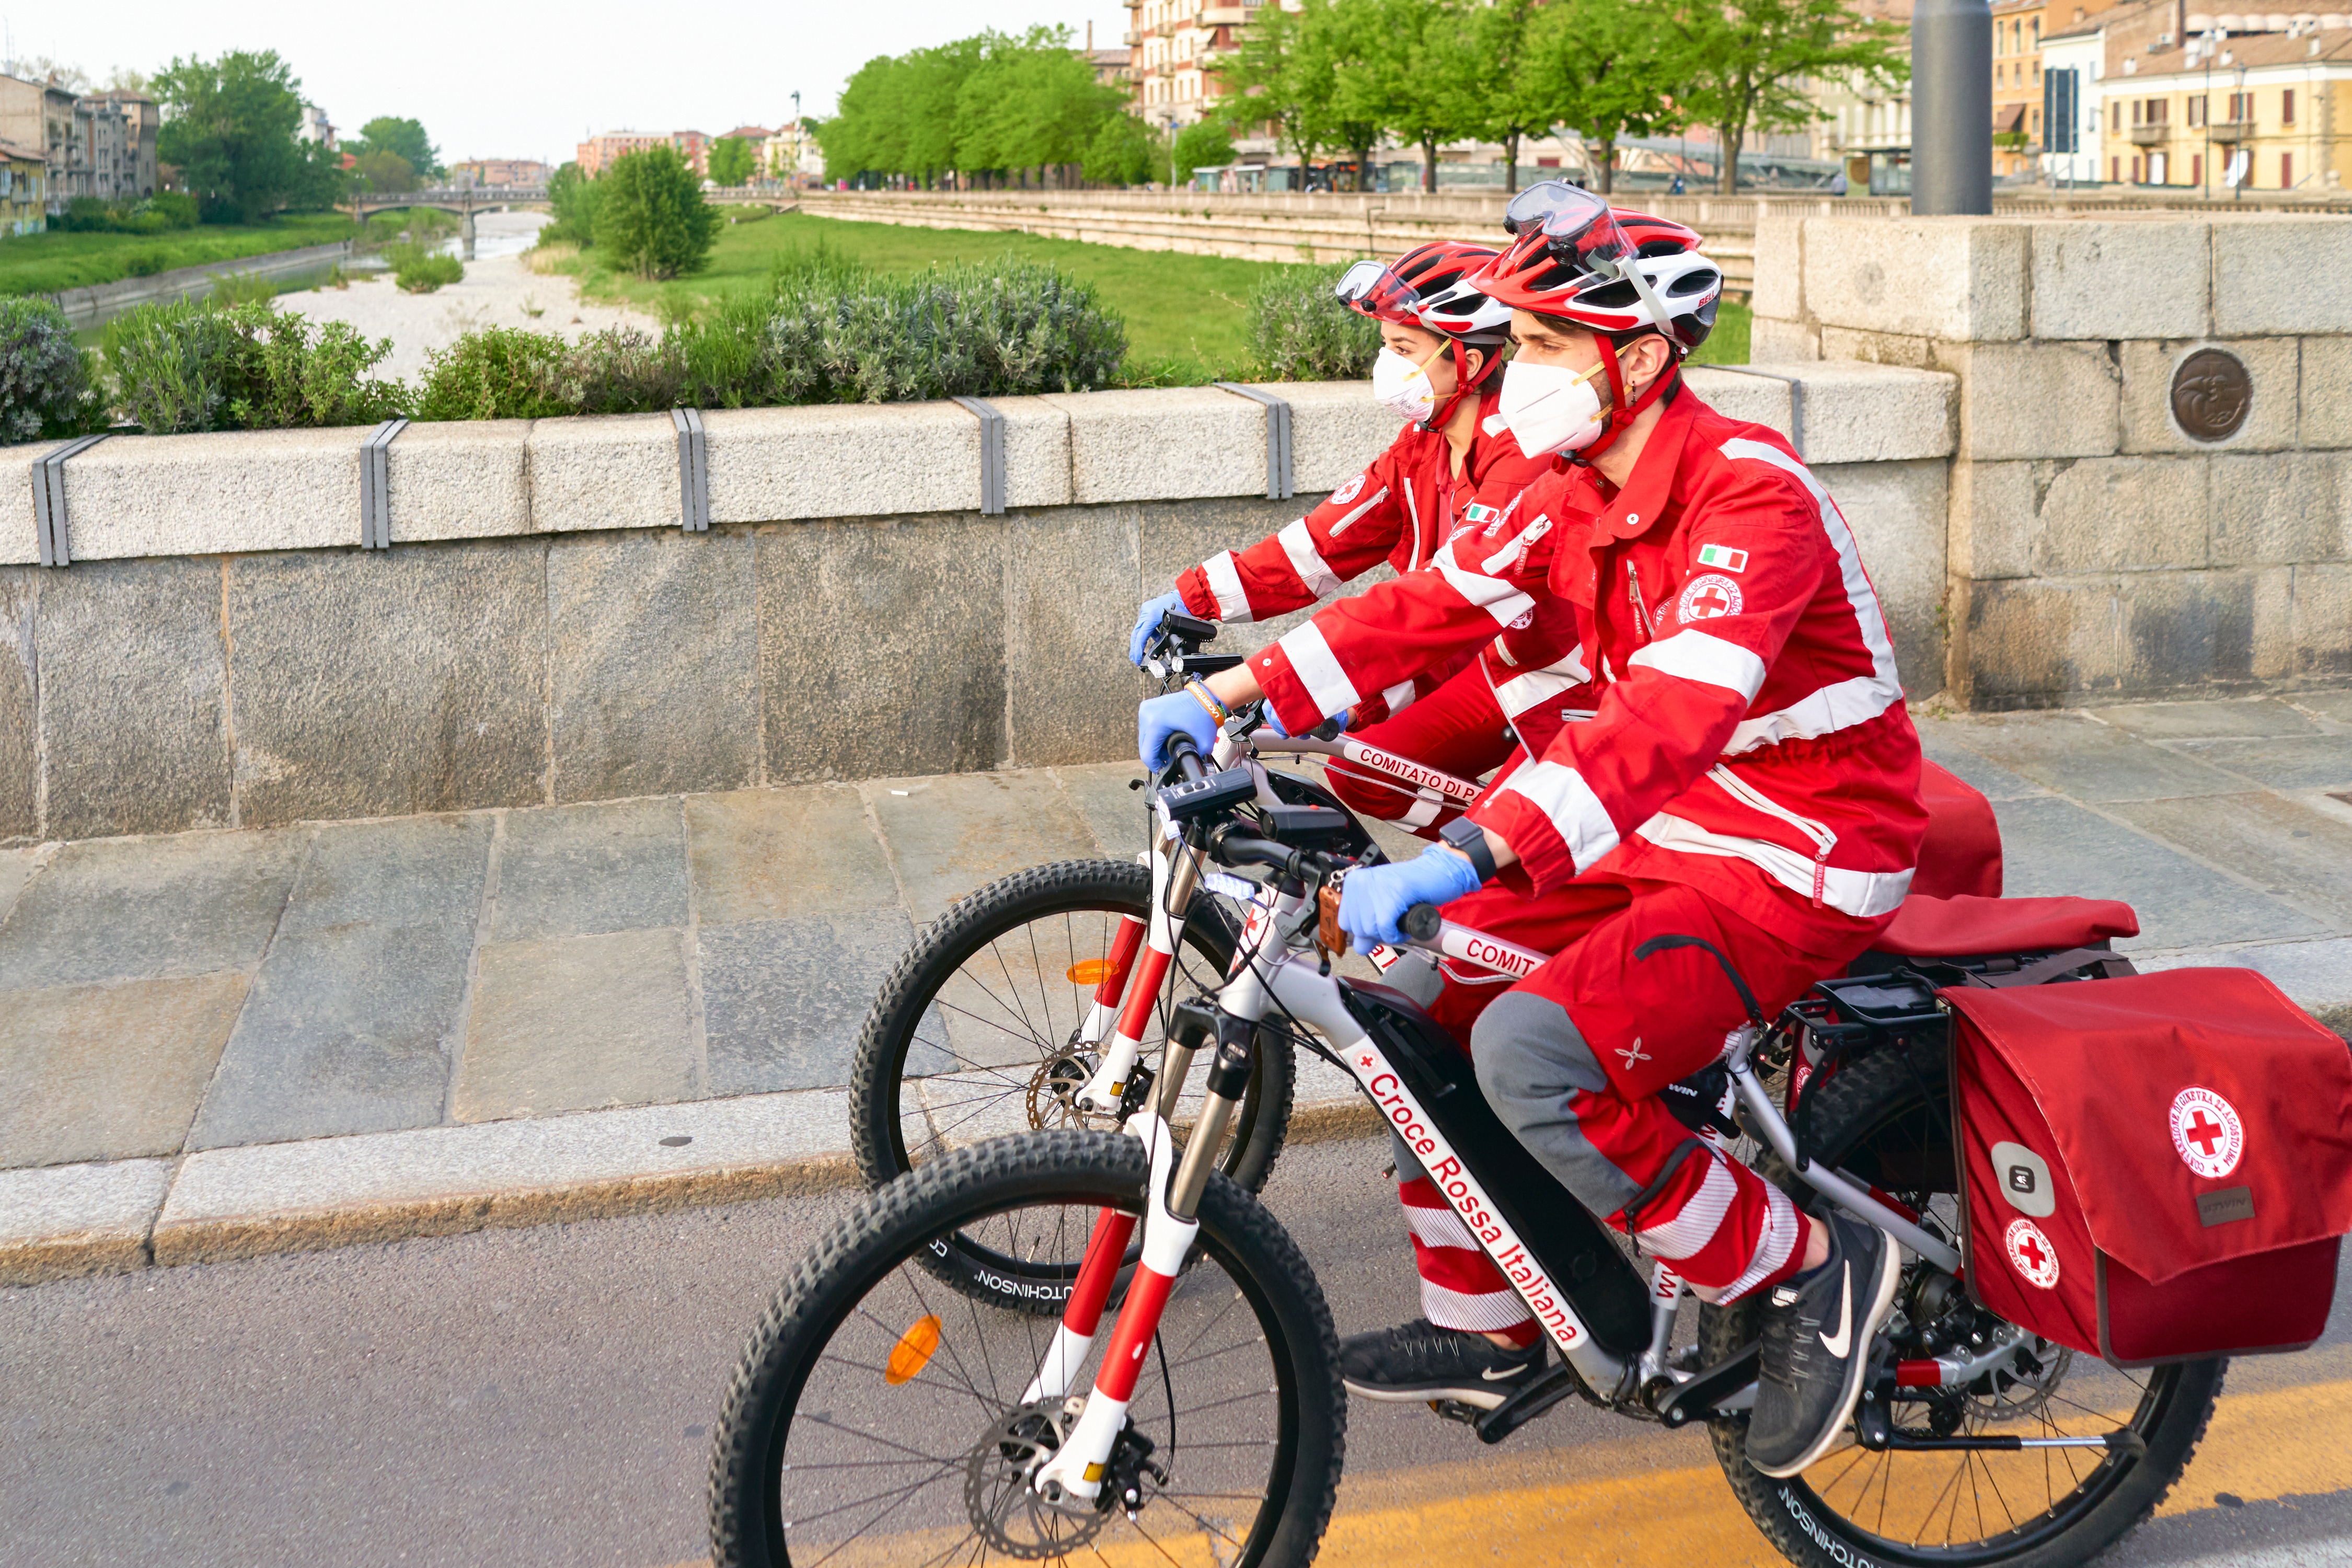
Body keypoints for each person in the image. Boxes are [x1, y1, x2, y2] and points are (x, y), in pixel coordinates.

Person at [1137, 186, 1927, 1480]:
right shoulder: (1564, 486)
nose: (1518, 374)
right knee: (1394, 999)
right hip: (1660, 834)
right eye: (1510, 343)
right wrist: (1227, 694)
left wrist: (1473, 849)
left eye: (1546, 347)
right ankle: (1495, 1327)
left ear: (1636, 358)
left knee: (1528, 1050)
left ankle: (1806, 1267)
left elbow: (1667, 716)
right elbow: (1424, 610)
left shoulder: (1747, 499)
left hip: (1795, 849)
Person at [1129, 240, 1592, 839]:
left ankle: (1500, 862)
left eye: (1405, 349)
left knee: (1381, 782)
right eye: (1386, 347)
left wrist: (1300, 684)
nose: (1388, 363)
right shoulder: (1423, 444)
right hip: (1473, 661)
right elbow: (1319, 546)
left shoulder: (1522, 459)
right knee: (1361, 770)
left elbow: (1447, 607)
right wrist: (1192, 599)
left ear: (1471, 364)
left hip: (1544, 673)